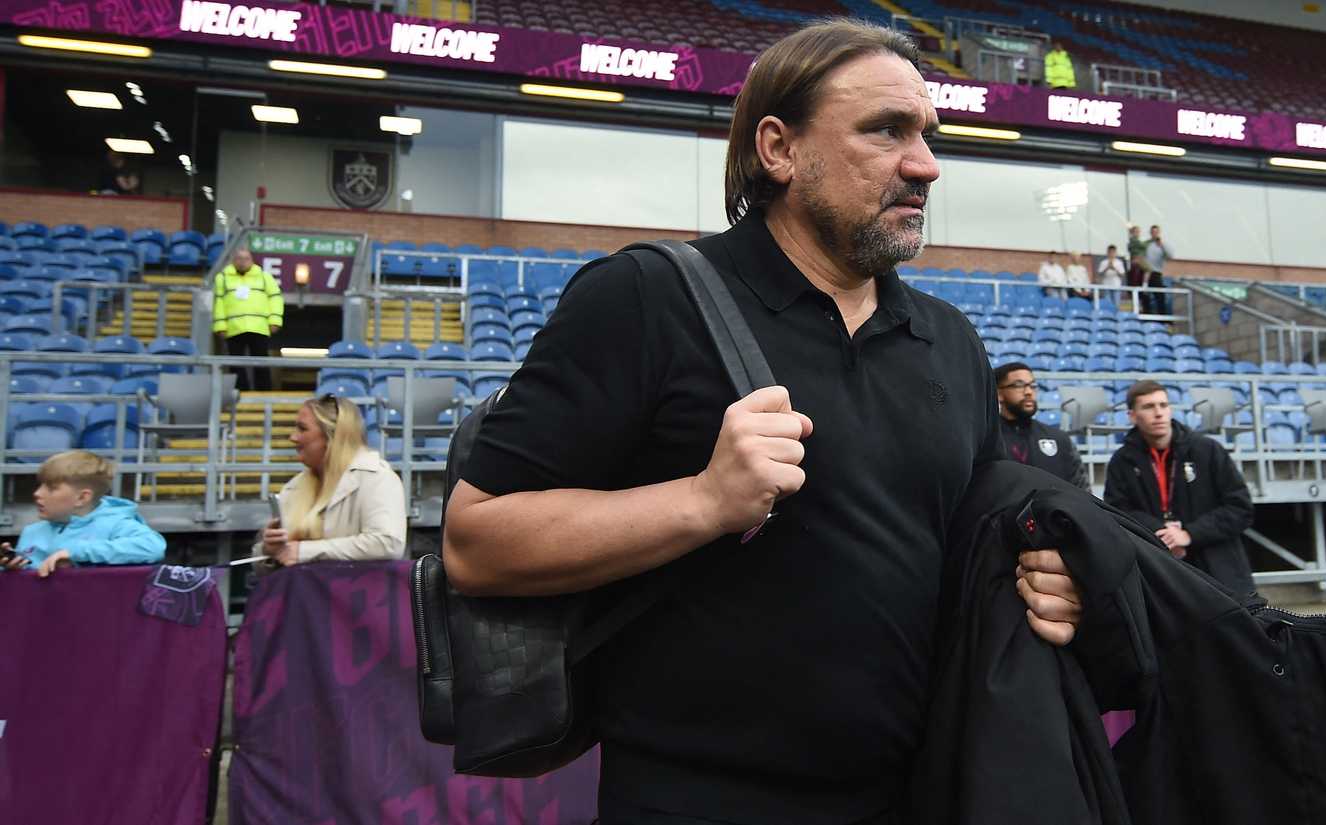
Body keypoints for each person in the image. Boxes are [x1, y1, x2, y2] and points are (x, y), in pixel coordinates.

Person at [441, 20, 1082, 824]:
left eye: (926, 134)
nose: (925, 164)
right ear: (779, 149)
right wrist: (701, 501)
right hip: (695, 799)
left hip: (916, 792)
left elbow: (971, 551)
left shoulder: (950, 340)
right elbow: (475, 543)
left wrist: (1041, 582)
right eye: (886, 130)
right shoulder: (644, 298)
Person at [1104, 380, 1255, 595]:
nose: (1158, 413)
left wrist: (1189, 534)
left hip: (1219, 573)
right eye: (1148, 407)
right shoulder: (1122, 461)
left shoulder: (1208, 450)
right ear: (1132, 416)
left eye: (1163, 405)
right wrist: (1159, 532)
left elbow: (1240, 508)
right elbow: (1117, 513)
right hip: (1159, 574)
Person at [255, 394, 406, 564]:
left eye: (302, 429)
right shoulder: (293, 487)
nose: (293, 437)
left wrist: (303, 551)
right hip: (299, 582)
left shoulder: (377, 478)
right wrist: (268, 551)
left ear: (332, 436)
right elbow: (267, 564)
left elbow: (387, 543)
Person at [0, 450, 164, 578]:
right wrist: (12, 570)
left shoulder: (116, 524)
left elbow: (153, 547)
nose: (37, 493)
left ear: (82, 498)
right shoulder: (32, 532)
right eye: (40, 486)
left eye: (51, 488)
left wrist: (75, 552)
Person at [995, 361, 1087, 488]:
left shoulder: (1060, 439)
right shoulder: (988, 439)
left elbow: (1081, 491)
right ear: (999, 394)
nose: (1028, 392)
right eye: (1018, 385)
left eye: (1032, 385)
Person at [212, 247, 284, 392]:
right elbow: (218, 303)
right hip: (233, 328)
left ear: (252, 261)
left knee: (261, 363)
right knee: (235, 364)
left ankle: (264, 395)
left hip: (259, 327)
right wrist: (220, 326)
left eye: (246, 259)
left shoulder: (264, 277)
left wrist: (275, 320)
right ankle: (240, 394)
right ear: (233, 261)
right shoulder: (222, 278)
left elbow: (276, 299)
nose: (243, 262)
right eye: (239, 258)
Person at [1143, 224, 1172, 317]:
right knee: (1145, 295)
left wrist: (1162, 246)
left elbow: (1169, 257)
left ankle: (1162, 318)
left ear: (1159, 233)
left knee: (1160, 296)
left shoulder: (1163, 245)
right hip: (1146, 273)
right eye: (1153, 232)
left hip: (1156, 273)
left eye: (1156, 232)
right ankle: (1146, 316)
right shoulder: (1146, 244)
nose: (1154, 234)